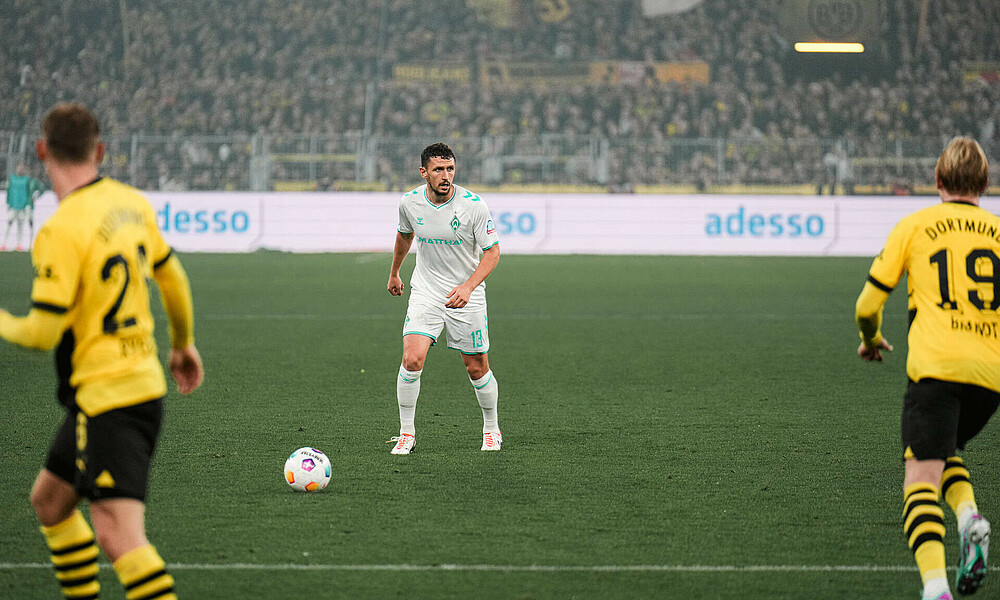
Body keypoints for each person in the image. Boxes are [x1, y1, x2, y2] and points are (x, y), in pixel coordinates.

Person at [0, 103, 203, 600]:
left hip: (109, 399)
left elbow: (43, 333)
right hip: (132, 386)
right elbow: (173, 278)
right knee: (50, 502)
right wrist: (181, 345)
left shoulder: (62, 229)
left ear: (42, 150)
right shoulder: (131, 203)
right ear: (101, 150)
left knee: (118, 537)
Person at [856, 136, 997, 600]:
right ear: (985, 182)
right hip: (990, 378)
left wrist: (871, 339)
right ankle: (968, 517)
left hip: (936, 370)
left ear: (937, 181)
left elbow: (867, 304)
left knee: (919, 474)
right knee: (944, 448)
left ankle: (935, 590)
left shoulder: (916, 226)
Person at [386, 142, 502, 454]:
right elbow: (404, 235)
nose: (445, 175)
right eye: (438, 169)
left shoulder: (474, 206)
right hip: (426, 290)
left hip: (467, 293)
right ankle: (406, 433)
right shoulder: (409, 203)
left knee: (476, 366)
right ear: (423, 172)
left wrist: (468, 287)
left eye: (450, 168)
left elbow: (493, 253)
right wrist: (395, 272)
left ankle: (491, 428)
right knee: (412, 358)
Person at [3, 162, 45, 251]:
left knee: (22, 224)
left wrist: (33, 198)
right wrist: (8, 203)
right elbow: (8, 191)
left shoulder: (27, 180)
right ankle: (3, 243)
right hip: (13, 205)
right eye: (19, 167)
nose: (20, 169)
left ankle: (21, 245)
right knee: (9, 223)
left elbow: (40, 189)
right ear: (16, 168)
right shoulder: (12, 179)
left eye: (22, 168)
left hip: (24, 206)